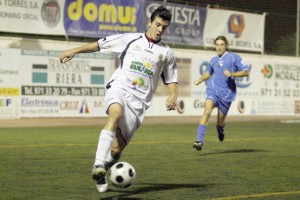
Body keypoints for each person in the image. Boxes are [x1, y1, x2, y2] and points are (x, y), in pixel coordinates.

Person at [59, 6, 178, 192]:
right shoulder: (130, 39)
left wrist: (172, 95)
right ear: (149, 22)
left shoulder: (166, 53)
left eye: (164, 27)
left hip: (139, 104)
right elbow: (100, 44)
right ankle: (98, 163)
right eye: (157, 24)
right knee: (115, 114)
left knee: (115, 151)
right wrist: (74, 50)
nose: (160, 29)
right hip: (119, 88)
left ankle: (100, 172)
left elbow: (171, 78)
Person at [193, 35, 249, 151]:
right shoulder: (213, 60)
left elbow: (246, 72)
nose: (219, 47)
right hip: (213, 90)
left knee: (220, 122)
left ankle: (220, 129)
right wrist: (200, 80)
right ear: (215, 46)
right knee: (207, 111)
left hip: (227, 94)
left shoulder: (234, 57)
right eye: (217, 45)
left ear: (226, 46)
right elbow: (209, 73)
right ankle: (199, 141)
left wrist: (232, 74)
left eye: (221, 45)